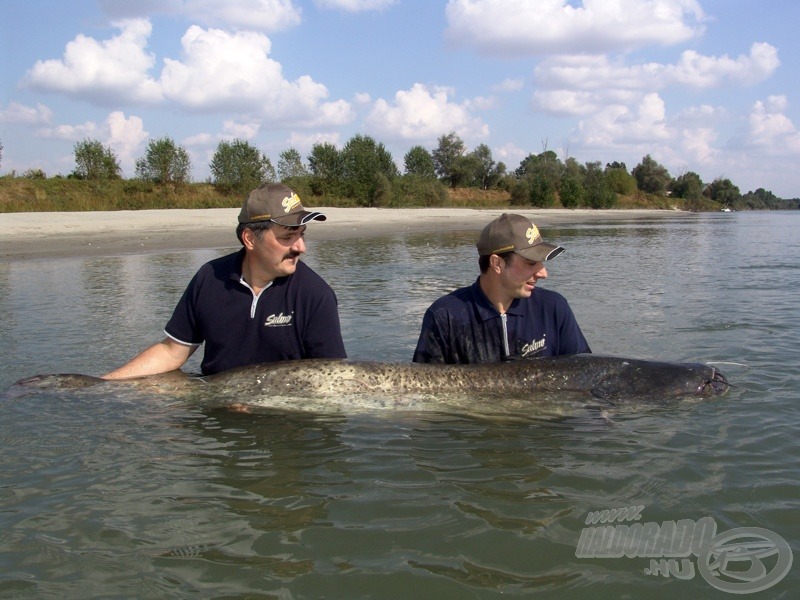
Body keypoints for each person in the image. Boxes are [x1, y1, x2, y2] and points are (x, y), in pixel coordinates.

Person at [103, 183, 346, 379]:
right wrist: (104, 385)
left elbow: (333, 380)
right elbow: (171, 352)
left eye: (302, 234)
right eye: (288, 236)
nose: (300, 247)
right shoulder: (209, 278)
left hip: (284, 423)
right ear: (250, 239)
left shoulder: (316, 295)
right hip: (217, 420)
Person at [412, 213, 590, 364]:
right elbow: (422, 392)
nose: (543, 273)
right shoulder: (445, 316)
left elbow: (584, 373)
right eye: (531, 263)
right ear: (497, 263)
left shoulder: (553, 308)